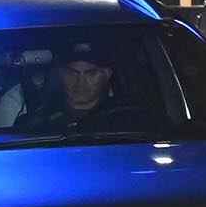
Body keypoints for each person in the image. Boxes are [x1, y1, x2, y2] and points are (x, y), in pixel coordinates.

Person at [15, 38, 147, 135]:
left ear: (106, 74)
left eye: (91, 73)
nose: (80, 82)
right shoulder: (36, 125)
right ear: (61, 74)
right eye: (72, 72)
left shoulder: (129, 120)